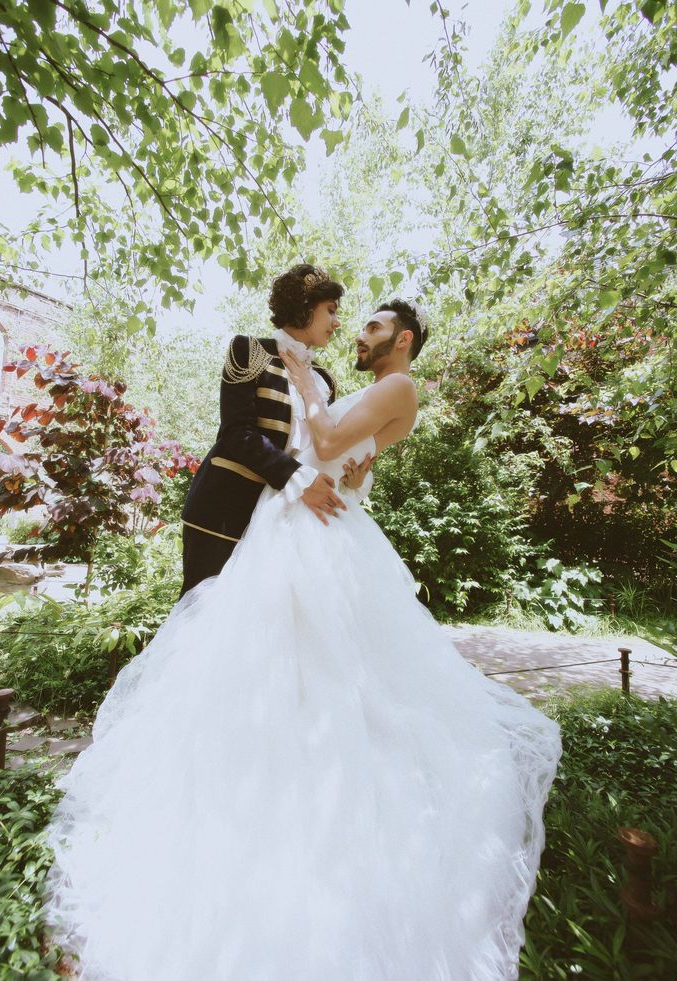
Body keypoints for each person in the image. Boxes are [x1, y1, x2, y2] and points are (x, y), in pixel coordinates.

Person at [44, 299, 562, 980]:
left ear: (403, 339)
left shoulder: (396, 385)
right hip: (296, 522)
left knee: (319, 667)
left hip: (316, 532)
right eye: (350, 320)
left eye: (372, 326)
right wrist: (330, 438)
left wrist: (298, 375)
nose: (356, 332)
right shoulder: (353, 383)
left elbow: (324, 440)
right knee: (274, 661)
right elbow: (343, 458)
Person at [179, 263, 373, 597]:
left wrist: (349, 479)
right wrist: (300, 480)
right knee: (201, 618)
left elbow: (319, 449)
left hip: (284, 523)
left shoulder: (324, 381)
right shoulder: (249, 351)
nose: (336, 323)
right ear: (304, 306)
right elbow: (237, 434)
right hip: (225, 510)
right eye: (330, 311)